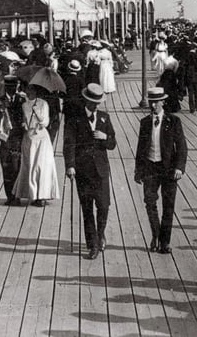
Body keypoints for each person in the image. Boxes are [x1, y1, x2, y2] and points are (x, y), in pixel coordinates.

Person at [63, 83, 117, 260]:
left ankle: (100, 233)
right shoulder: (74, 119)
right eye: (92, 102)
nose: (95, 106)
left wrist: (105, 137)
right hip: (82, 170)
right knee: (87, 209)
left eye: (98, 102)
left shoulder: (104, 118)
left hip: (101, 170)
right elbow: (69, 144)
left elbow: (112, 144)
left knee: (103, 206)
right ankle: (92, 244)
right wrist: (70, 165)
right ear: (86, 101)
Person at [134, 87, 188, 254]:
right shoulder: (144, 122)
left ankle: (165, 242)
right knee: (150, 202)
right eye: (151, 102)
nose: (153, 105)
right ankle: (156, 235)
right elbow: (140, 147)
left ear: (163, 102)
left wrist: (179, 167)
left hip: (169, 169)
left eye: (156, 102)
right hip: (150, 166)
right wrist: (138, 170)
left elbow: (182, 147)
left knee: (168, 206)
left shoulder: (173, 121)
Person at [14, 85, 59, 206]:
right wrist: (24, 123)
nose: (29, 93)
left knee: (41, 165)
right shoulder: (24, 105)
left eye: (32, 90)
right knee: (29, 165)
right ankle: (32, 194)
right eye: (27, 90)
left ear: (36, 92)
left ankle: (42, 196)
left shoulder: (43, 104)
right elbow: (24, 119)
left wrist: (37, 112)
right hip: (29, 138)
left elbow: (45, 122)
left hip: (41, 138)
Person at [0, 75, 25, 206]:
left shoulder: (22, 100)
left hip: (17, 138)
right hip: (4, 139)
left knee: (16, 168)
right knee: (6, 167)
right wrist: (0, 109)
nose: (11, 89)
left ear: (16, 87)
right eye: (9, 87)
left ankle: (17, 196)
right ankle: (10, 196)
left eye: (13, 87)